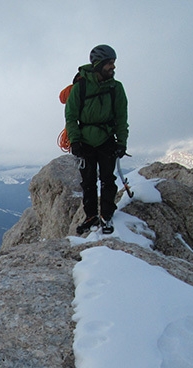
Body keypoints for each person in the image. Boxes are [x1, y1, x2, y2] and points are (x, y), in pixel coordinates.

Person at [64, 44, 129, 234]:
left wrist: (121, 142)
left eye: (113, 63)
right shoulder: (81, 86)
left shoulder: (116, 88)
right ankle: (91, 216)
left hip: (106, 139)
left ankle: (106, 215)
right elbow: (71, 115)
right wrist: (75, 141)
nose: (113, 67)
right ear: (99, 64)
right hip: (85, 142)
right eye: (110, 63)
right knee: (88, 182)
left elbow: (121, 117)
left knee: (108, 179)